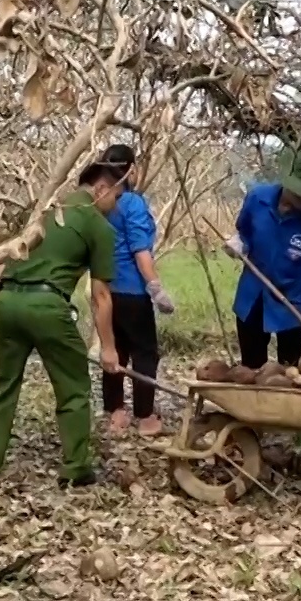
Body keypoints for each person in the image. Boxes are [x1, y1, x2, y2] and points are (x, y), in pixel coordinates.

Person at [0, 162, 123, 486]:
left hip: (8, 300)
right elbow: (101, 296)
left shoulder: (43, 209)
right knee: (74, 387)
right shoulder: (97, 225)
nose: (116, 206)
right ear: (101, 190)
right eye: (116, 197)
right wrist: (109, 349)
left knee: (3, 383)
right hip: (47, 306)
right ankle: (76, 468)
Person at [223, 143, 301, 368]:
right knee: (252, 367)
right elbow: (244, 232)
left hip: (292, 305)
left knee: (290, 370)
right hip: (253, 298)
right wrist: (238, 244)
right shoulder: (257, 199)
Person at [96, 144, 174, 436]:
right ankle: (145, 416)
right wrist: (155, 287)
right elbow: (140, 251)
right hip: (131, 290)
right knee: (144, 353)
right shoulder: (133, 204)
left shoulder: (99, 202)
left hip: (103, 288)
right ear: (131, 169)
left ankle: (116, 412)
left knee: (113, 349)